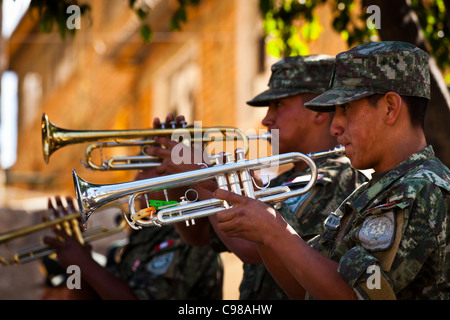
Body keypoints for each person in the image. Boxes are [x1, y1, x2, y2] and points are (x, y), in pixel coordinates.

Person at [214, 41, 450, 299]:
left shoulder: (421, 189)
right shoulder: (373, 193)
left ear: (390, 108)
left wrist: (273, 229)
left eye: (345, 108)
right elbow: (304, 288)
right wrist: (264, 233)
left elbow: (355, 296)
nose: (334, 126)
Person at [146, 55, 368, 299]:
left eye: (279, 105)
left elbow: (251, 247)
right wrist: (180, 176)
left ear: (318, 111)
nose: (266, 119)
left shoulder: (336, 176)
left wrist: (201, 171)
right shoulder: (280, 183)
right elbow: (196, 235)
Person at [43, 154, 223, 299]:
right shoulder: (143, 232)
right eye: (137, 171)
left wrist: (84, 262)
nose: (137, 179)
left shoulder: (186, 236)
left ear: (175, 174)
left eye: (145, 170)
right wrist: (74, 268)